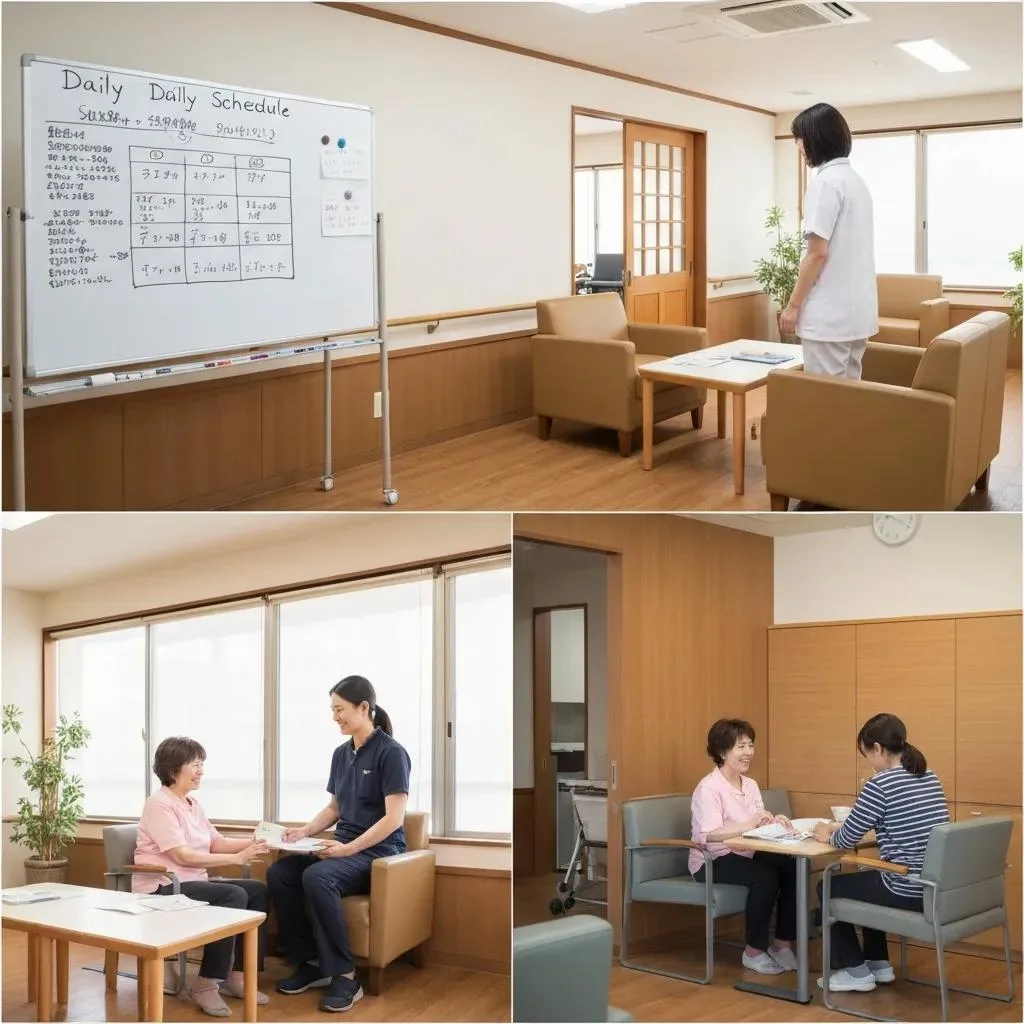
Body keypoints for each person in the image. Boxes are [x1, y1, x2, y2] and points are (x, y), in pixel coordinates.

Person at [267, 675, 411, 1013]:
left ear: (364, 708)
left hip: (380, 852)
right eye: (332, 710)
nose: (335, 717)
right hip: (344, 847)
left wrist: (347, 850)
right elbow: (335, 808)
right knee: (281, 873)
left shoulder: (392, 753)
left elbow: (394, 819)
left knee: (318, 876)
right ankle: (311, 963)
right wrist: (303, 832)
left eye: (340, 709)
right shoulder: (341, 754)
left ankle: (346, 975)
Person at [812, 713, 950, 993]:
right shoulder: (928, 776)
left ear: (878, 749)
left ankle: (854, 971)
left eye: (867, 755)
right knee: (869, 875)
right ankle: (878, 963)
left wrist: (825, 831)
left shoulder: (881, 784)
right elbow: (905, 822)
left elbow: (845, 839)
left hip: (905, 887)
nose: (869, 763)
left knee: (827, 884)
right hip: (934, 886)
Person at [134, 737, 271, 1017]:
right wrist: (236, 859)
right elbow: (182, 856)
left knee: (257, 890)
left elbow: (215, 842)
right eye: (195, 765)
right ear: (173, 770)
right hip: (163, 887)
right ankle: (207, 983)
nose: (201, 771)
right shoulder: (159, 804)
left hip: (192, 883)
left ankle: (237, 975)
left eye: (201, 765)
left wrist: (255, 841)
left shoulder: (192, 804)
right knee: (233, 895)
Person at [689, 718, 800, 974]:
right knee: (765, 876)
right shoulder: (708, 788)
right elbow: (709, 836)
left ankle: (782, 945)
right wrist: (750, 824)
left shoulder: (749, 784)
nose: (749, 752)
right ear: (722, 751)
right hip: (711, 860)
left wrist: (774, 819)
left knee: (792, 866)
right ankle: (753, 951)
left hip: (745, 853)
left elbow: (756, 819)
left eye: (750, 745)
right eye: (741, 746)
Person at [779, 102, 878, 380]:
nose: (798, 146)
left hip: (829, 318)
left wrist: (792, 306)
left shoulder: (825, 183)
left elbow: (817, 254)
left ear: (814, 139)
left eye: (799, 138)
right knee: (850, 396)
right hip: (857, 314)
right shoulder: (855, 182)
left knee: (826, 402)